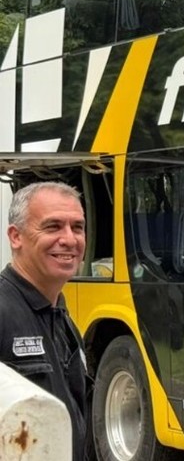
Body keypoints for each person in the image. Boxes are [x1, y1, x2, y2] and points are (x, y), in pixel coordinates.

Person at [0, 182, 89, 461]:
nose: (69, 239)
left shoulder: (61, 316)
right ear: (16, 236)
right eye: (53, 227)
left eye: (77, 227)